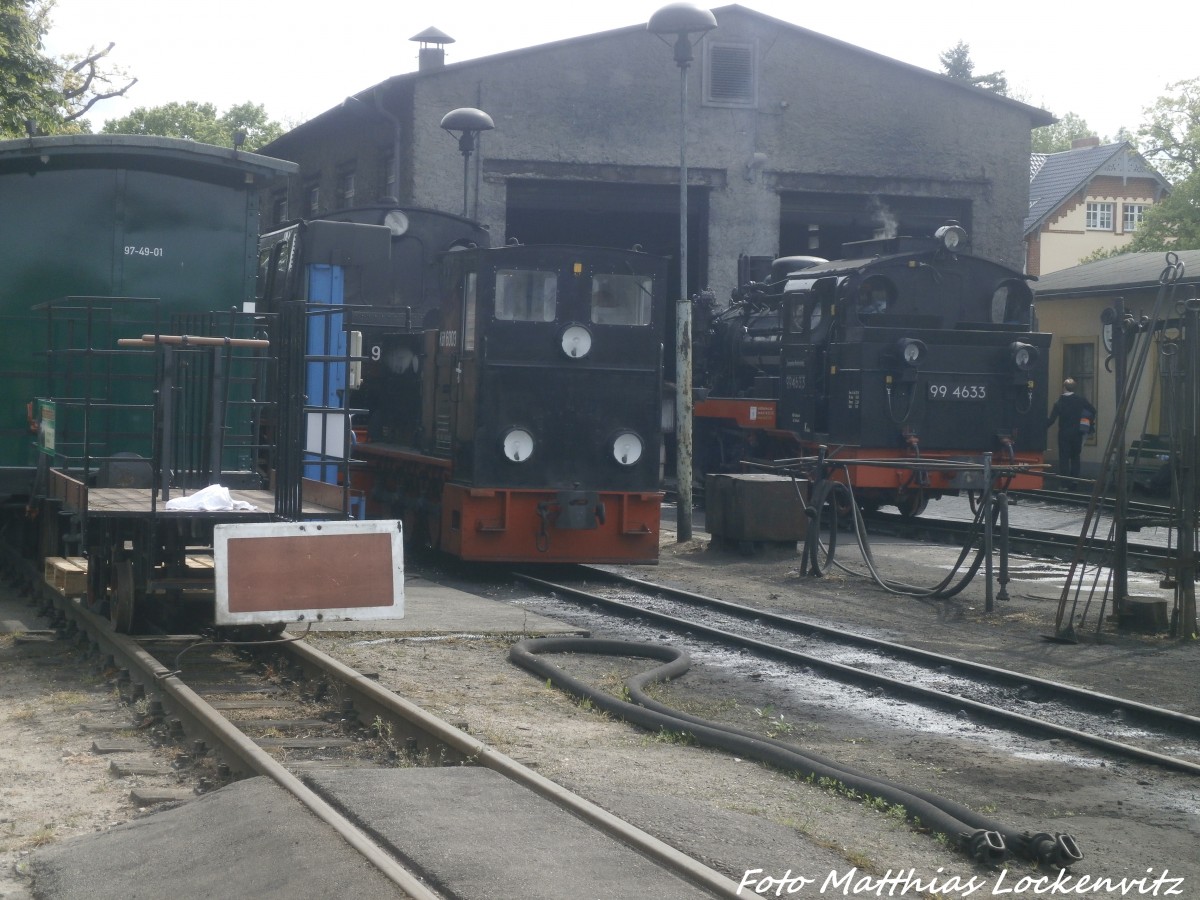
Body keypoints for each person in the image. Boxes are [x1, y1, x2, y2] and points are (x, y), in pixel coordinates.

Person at [1046, 378, 1097, 483]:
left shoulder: (1059, 402)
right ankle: (1074, 481)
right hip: (1077, 433)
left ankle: (1064, 483)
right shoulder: (1081, 400)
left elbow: (1051, 420)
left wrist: (1041, 427)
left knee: (1064, 459)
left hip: (1064, 434)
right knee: (1075, 457)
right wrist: (1087, 422)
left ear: (1064, 387)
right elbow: (1093, 410)